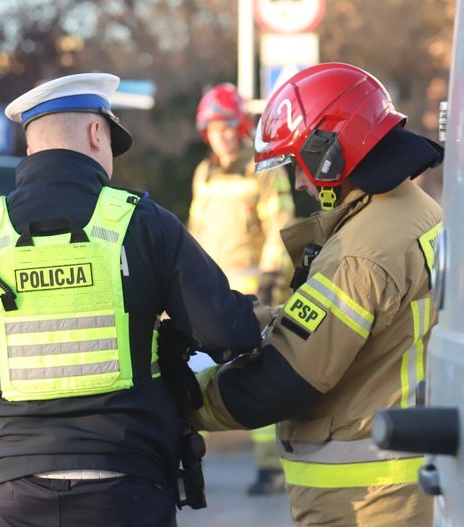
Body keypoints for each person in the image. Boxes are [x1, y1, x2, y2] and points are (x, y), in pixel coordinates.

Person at [0, 72, 262, 527]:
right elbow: (229, 333)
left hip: (7, 487)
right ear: (97, 133)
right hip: (125, 481)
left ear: (31, 146)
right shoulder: (144, 222)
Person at [191, 63, 445, 526]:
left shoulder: (362, 250)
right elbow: (335, 324)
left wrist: (184, 400)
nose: (304, 184)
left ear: (329, 152)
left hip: (367, 499)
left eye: (299, 166)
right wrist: (251, 317)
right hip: (402, 483)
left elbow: (288, 375)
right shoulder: (412, 209)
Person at [187, 83, 294, 495]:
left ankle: (272, 467)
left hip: (256, 293)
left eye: (228, 125)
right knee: (197, 375)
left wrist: (272, 277)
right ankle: (185, 455)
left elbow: (280, 224)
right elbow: (195, 235)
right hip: (213, 293)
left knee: (259, 378)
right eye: (214, 127)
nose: (223, 134)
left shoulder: (263, 168)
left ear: (242, 126)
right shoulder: (204, 172)